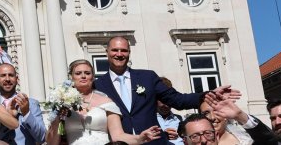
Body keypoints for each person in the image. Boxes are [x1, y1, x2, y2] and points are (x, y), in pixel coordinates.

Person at [93, 37, 237, 142]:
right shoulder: (98, 85)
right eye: (115, 50)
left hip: (155, 142)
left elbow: (178, 100)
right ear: (107, 52)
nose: (119, 54)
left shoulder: (147, 77)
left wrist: (208, 94)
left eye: (124, 50)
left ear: (129, 53)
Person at [46, 59, 161, 145]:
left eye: (87, 73)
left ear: (93, 77)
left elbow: (118, 135)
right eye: (78, 73)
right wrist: (57, 115)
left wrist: (139, 138)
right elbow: (52, 142)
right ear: (71, 77)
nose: (83, 76)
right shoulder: (61, 102)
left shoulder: (106, 102)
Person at [0, 64, 44, 145]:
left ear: (17, 79)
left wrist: (26, 113)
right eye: (3, 75)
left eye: (11, 75)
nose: (7, 79)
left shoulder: (31, 103)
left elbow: (41, 137)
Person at [154, 80, 183, 145]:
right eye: (163, 101)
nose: (166, 105)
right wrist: (163, 136)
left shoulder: (179, 119)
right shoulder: (148, 119)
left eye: (169, 101)